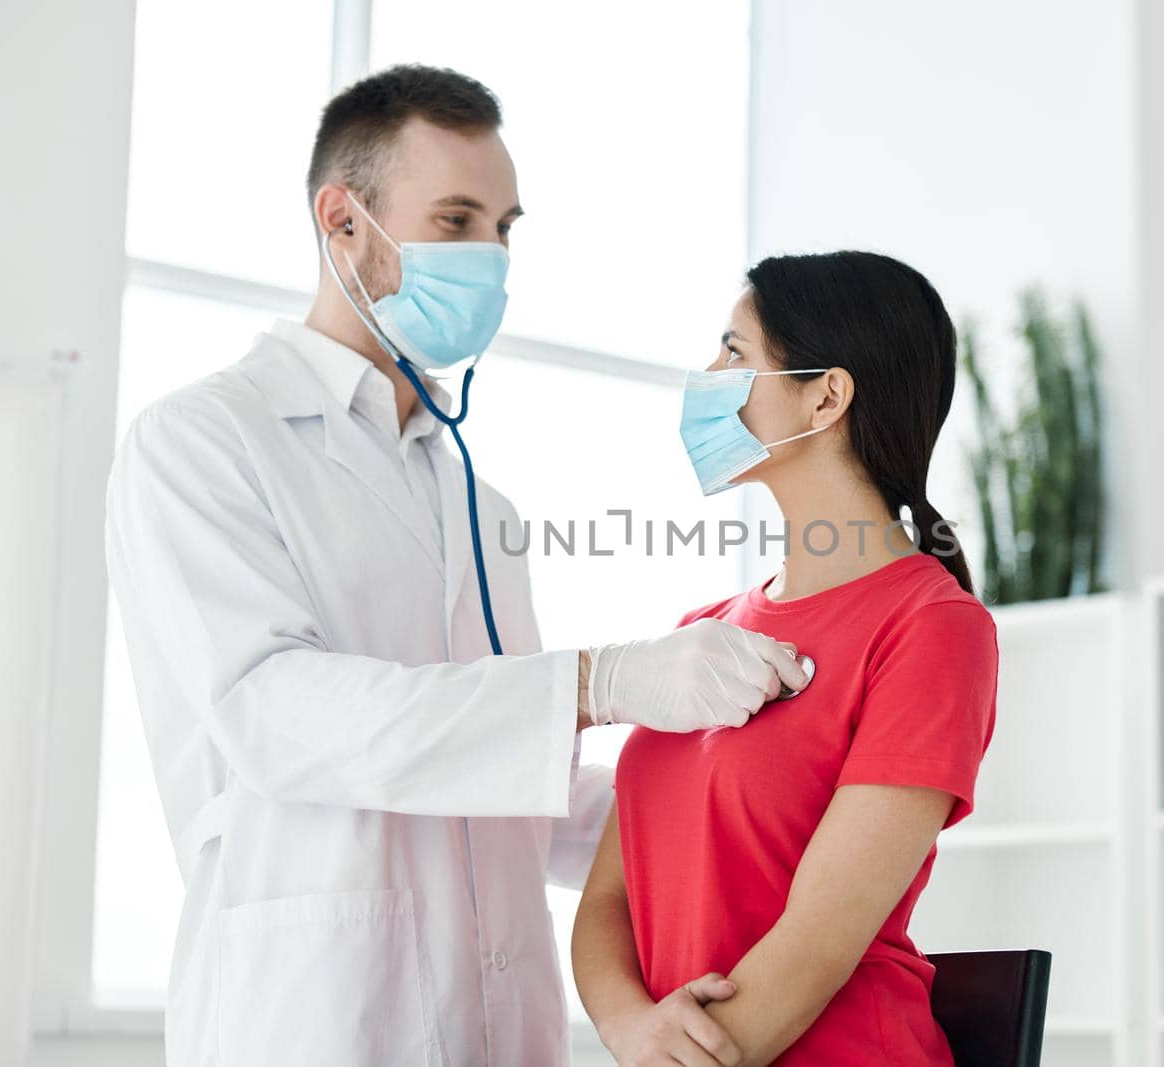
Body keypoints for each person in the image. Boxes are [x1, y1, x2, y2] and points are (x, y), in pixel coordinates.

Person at [103, 65, 807, 1067]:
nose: (489, 256)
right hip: (318, 1018)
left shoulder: (478, 505)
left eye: (504, 226)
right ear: (342, 221)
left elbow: (508, 777)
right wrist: (597, 680)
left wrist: (728, 790)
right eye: (456, 217)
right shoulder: (204, 441)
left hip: (501, 1022)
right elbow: (275, 714)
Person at [572, 251, 1000, 1067]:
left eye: (735, 352)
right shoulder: (701, 634)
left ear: (827, 395)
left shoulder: (933, 626)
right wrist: (631, 1029)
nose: (708, 374)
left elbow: (815, 945)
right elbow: (608, 902)